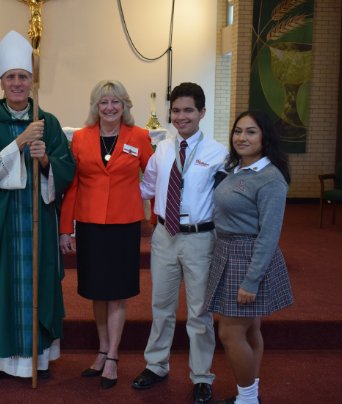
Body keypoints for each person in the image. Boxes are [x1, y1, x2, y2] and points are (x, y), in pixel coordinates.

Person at [0, 30, 76, 381]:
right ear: (1, 82)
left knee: (38, 282)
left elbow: (67, 168)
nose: (17, 83)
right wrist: (19, 142)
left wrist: (46, 162)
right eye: (11, 77)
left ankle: (37, 357)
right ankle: (0, 358)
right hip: (0, 219)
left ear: (31, 82)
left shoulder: (49, 121)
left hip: (37, 219)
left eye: (23, 77)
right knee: (2, 284)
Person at [136, 82, 228, 404]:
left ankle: (202, 376)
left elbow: (229, 200)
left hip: (201, 239)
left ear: (202, 112)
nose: (181, 116)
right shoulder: (161, 148)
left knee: (199, 312)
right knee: (160, 306)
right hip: (164, 236)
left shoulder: (219, 154)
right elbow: (146, 187)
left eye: (188, 110)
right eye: (176, 110)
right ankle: (156, 365)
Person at [59, 80, 153, 389]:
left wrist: (157, 219)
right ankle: (102, 350)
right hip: (90, 224)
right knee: (97, 290)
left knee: (117, 290)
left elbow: (153, 179)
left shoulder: (139, 137)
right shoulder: (81, 139)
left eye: (115, 102)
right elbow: (72, 186)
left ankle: (112, 355)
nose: (110, 107)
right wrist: (65, 228)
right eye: (103, 103)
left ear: (124, 105)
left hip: (124, 224)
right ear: (95, 107)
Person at [207, 111, 293, 404]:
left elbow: (269, 234)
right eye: (238, 131)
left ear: (265, 137)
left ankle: (246, 399)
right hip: (229, 251)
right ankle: (249, 395)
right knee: (251, 328)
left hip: (247, 257)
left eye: (251, 132)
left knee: (230, 334)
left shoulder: (270, 179)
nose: (241, 137)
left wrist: (252, 280)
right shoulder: (239, 168)